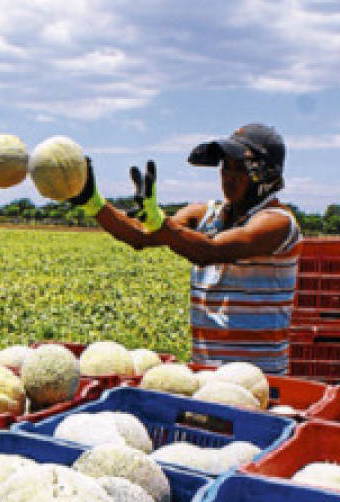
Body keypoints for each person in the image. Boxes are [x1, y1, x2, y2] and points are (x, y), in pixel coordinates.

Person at [72, 123, 301, 374]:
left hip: (258, 378)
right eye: (225, 166)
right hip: (204, 374)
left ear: (265, 174)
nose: (228, 176)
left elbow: (209, 251)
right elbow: (142, 236)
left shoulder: (277, 221)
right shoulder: (205, 214)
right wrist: (93, 202)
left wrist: (160, 223)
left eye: (239, 168)